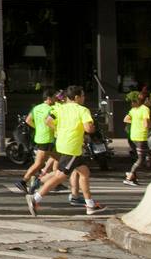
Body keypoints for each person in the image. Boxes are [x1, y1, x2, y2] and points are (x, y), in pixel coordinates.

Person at [27, 86, 105, 216]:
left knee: (84, 172)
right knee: (59, 176)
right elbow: (89, 129)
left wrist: (59, 129)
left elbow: (48, 121)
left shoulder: (60, 108)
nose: (84, 98)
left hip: (63, 144)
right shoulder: (83, 110)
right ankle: (35, 198)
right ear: (76, 97)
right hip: (72, 147)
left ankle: (90, 205)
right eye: (83, 96)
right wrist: (90, 127)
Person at [17, 90, 59, 193]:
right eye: (54, 97)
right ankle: (23, 181)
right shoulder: (51, 109)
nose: (55, 99)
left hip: (40, 136)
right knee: (39, 163)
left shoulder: (36, 108)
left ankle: (55, 181)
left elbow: (28, 120)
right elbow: (51, 122)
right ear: (49, 98)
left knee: (57, 157)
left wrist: (38, 127)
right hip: (48, 138)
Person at [122, 91, 151, 187]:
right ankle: (130, 176)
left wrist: (135, 122)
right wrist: (150, 125)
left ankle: (133, 176)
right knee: (141, 159)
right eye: (150, 99)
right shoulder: (145, 109)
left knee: (147, 155)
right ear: (146, 99)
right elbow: (146, 124)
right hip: (140, 136)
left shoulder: (134, 109)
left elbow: (125, 119)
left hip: (133, 135)